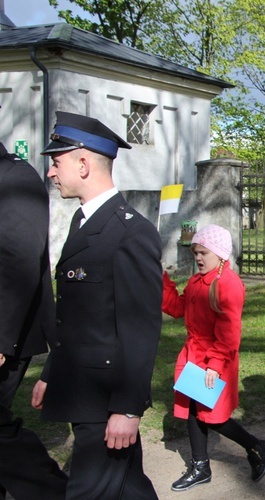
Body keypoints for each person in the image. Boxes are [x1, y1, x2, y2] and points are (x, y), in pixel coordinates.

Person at [31, 111, 162, 499]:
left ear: (84, 163)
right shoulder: (84, 221)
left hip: (105, 399)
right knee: (130, 489)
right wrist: (52, 370)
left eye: (57, 162)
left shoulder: (130, 232)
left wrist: (127, 409)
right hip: (83, 389)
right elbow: (76, 316)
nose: (52, 173)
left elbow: (140, 328)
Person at [162, 224, 265, 491]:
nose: (198, 258)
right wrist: (162, 282)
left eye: (203, 253)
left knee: (213, 416)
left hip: (216, 360)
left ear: (220, 255)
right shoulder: (196, 281)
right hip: (194, 357)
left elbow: (229, 330)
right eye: (195, 253)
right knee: (192, 410)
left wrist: (215, 363)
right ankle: (200, 466)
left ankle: (256, 445)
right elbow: (178, 308)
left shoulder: (227, 284)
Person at [0, 140, 68, 499]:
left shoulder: (15, 177)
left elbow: (19, 260)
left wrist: (1, 336)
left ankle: (54, 493)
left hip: (8, 333)